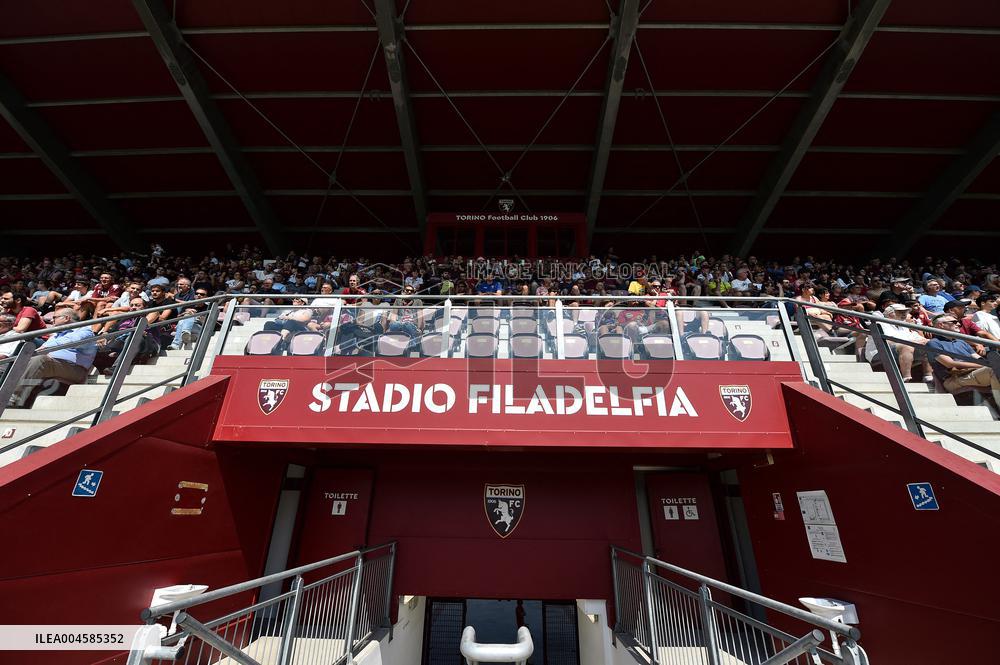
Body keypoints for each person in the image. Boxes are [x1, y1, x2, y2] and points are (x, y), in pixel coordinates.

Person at [9, 309, 96, 407]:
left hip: (75, 369)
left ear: (67, 318)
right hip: (54, 364)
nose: (51, 320)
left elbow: (74, 341)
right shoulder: (56, 335)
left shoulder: (84, 330)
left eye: (54, 317)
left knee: (40, 360)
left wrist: (45, 348)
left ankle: (13, 400)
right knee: (18, 361)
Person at [927, 313, 1000, 405]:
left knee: (995, 369)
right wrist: (984, 364)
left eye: (958, 322)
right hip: (953, 379)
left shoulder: (961, 342)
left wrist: (985, 363)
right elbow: (950, 364)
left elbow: (978, 358)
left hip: (972, 373)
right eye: (954, 322)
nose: (958, 324)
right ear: (941, 325)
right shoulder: (933, 343)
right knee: (993, 370)